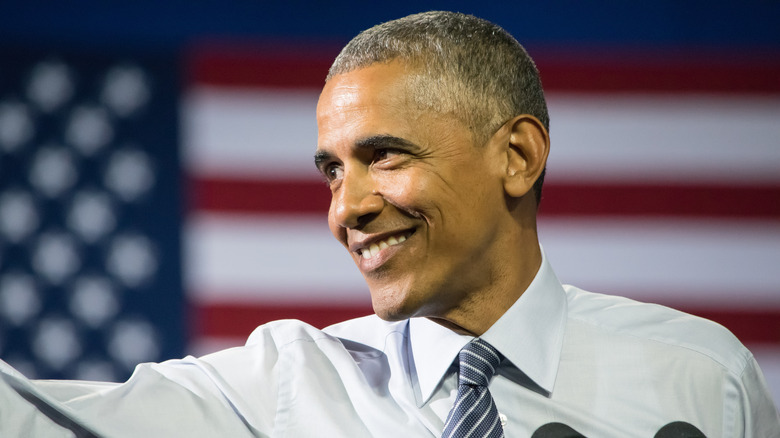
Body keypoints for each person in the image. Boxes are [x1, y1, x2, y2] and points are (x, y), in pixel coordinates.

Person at [1, 10, 778, 437]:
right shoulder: (282, 385)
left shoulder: (700, 379)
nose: (347, 208)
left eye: (385, 156)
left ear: (518, 155)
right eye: (333, 170)